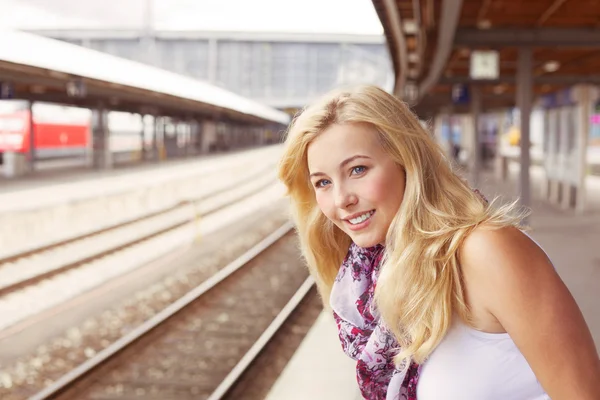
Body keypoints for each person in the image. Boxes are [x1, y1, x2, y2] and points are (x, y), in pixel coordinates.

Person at [277, 85, 600, 400]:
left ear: (407, 160)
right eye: (323, 182)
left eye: (358, 169)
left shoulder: (485, 250)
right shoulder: (373, 275)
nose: (341, 199)